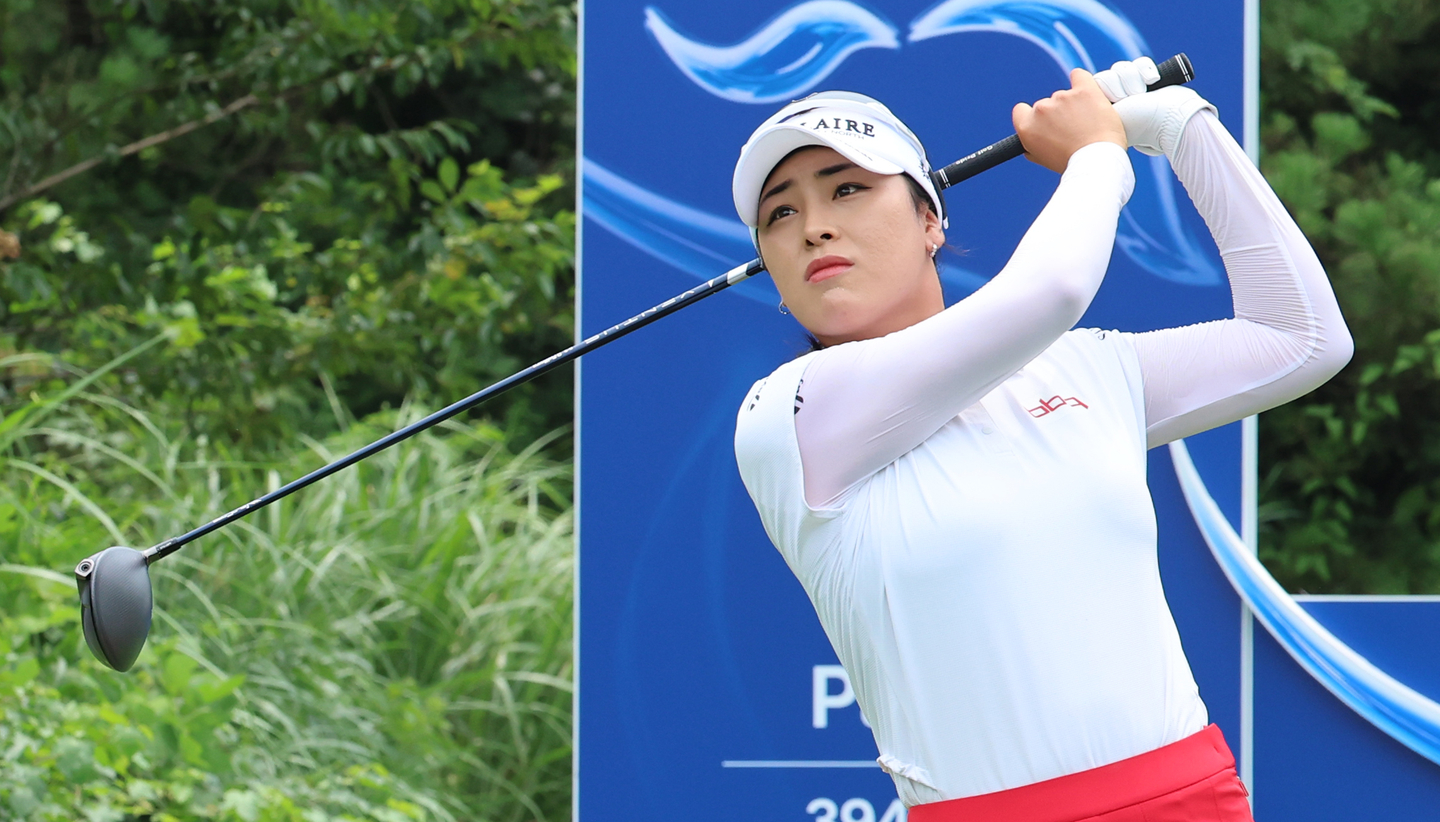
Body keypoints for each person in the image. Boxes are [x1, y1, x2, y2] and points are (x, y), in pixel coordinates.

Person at [731, 58, 1352, 822]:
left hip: (1191, 798)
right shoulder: (789, 416)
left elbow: (1303, 337)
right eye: (778, 215)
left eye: (847, 188)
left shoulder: (1087, 367)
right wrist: (1098, 155)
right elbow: (1050, 291)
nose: (814, 225)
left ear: (932, 221)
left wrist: (1185, 128)